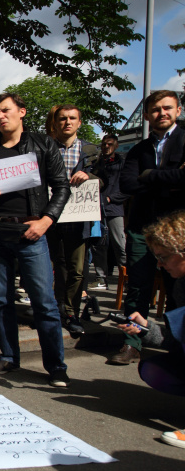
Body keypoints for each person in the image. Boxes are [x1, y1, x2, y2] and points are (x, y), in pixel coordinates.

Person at [0, 93, 71, 387]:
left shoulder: (42, 144)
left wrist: (46, 220)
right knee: (0, 300)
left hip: (30, 233)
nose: (1, 116)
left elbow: (62, 187)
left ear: (22, 112)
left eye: (5, 111)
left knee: (44, 302)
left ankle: (56, 366)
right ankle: (8, 357)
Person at [113, 90, 185, 364]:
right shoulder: (138, 149)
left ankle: (178, 344)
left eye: (168, 108)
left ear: (178, 110)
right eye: (155, 109)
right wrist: (171, 179)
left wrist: (150, 176)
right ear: (146, 115)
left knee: (178, 287)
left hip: (177, 230)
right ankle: (132, 343)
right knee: (138, 287)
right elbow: (127, 184)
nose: (162, 113)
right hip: (142, 227)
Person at [116, 210, 185, 448]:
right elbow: (180, 340)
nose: (159, 264)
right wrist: (147, 329)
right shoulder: (181, 284)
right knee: (156, 369)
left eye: (163, 257)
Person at [46, 104, 96, 338]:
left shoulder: (91, 151)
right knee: (54, 267)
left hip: (79, 217)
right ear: (55, 123)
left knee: (76, 269)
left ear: (80, 122)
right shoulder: (44, 147)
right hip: (50, 217)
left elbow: (108, 178)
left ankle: (71, 311)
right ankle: (57, 310)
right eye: (63, 118)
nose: (67, 122)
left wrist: (90, 175)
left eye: (72, 118)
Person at [89, 134, 127, 291]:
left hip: (114, 208)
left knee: (120, 245)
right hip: (96, 208)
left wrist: (112, 199)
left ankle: (126, 279)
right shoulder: (96, 164)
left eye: (110, 144)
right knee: (98, 244)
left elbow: (128, 187)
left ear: (116, 146)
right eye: (104, 144)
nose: (106, 147)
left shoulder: (123, 164)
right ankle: (100, 278)